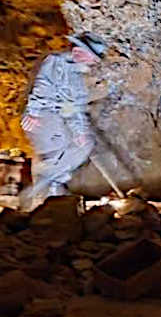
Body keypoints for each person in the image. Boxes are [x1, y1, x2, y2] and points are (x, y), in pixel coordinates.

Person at [20, 32, 107, 204]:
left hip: (58, 117)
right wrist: (34, 112)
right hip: (42, 114)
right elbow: (42, 86)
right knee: (57, 146)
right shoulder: (55, 61)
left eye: (88, 55)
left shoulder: (77, 79)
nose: (81, 55)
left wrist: (80, 132)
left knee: (86, 144)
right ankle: (45, 191)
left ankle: (52, 181)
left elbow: (75, 109)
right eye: (79, 50)